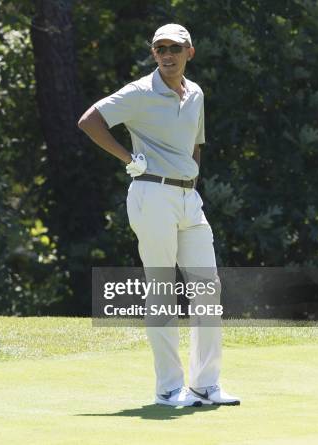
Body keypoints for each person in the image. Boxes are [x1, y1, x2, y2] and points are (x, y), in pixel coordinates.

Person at [78, 24, 240, 407]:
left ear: (189, 52)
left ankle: (205, 383)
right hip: (151, 192)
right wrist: (128, 159)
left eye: (174, 48)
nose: (167, 55)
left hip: (188, 198)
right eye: (159, 48)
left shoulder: (196, 93)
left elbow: (195, 145)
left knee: (207, 287)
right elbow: (89, 121)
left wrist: (193, 183)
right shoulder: (139, 92)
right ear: (154, 53)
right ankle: (169, 387)